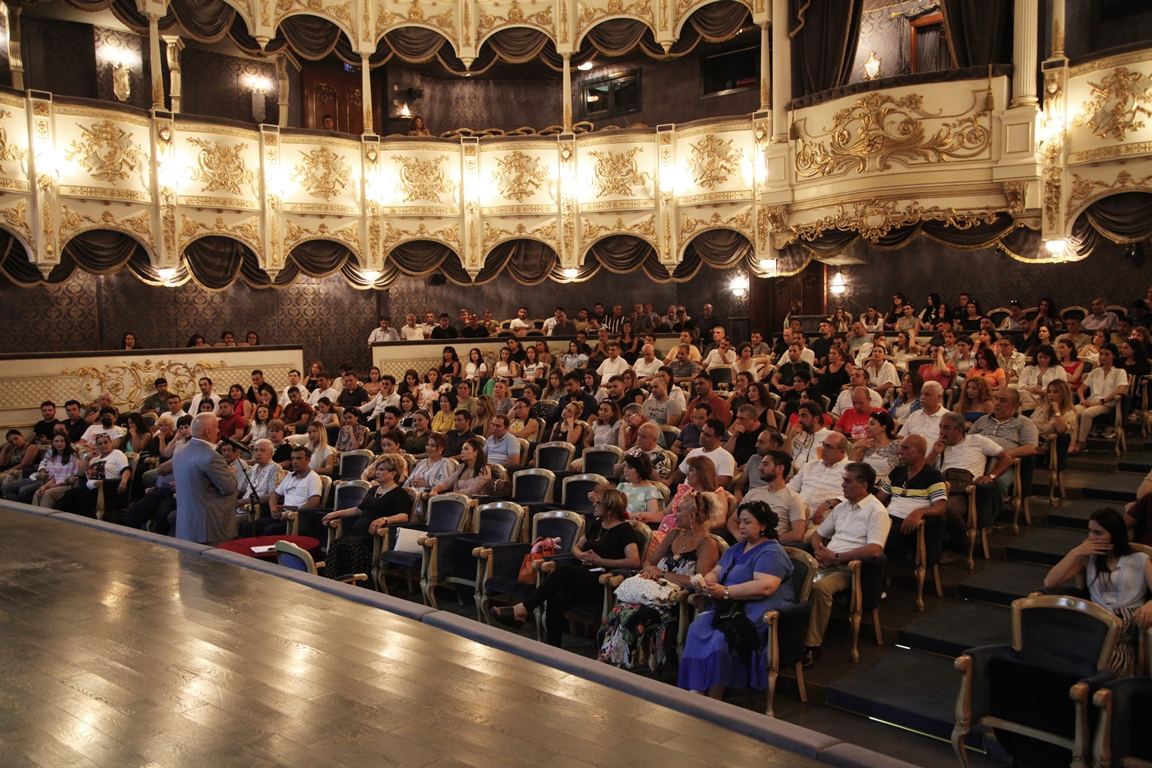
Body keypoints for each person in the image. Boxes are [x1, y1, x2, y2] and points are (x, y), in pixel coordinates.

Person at [490, 487, 641, 647]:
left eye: (598, 503)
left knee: (562, 571)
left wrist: (601, 560)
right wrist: (580, 555)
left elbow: (634, 561)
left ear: (610, 510)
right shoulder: (598, 524)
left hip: (602, 581)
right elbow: (576, 547)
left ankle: (523, 609)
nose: (594, 505)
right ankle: (552, 647)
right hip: (582, 576)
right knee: (557, 596)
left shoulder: (624, 530)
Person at [677, 500, 795, 697]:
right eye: (740, 521)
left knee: (720, 638)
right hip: (728, 610)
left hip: (755, 613)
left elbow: (765, 586)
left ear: (763, 525)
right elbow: (716, 571)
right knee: (697, 629)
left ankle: (714, 696)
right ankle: (696, 690)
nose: (741, 526)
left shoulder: (772, 552)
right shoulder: (736, 549)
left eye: (747, 522)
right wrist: (706, 583)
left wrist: (725, 592)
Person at [600, 492, 721, 671]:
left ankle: (626, 667)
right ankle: (608, 663)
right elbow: (649, 561)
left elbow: (697, 582)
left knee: (634, 617)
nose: (674, 514)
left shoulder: (708, 545)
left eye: (679, 510)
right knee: (618, 611)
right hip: (651, 592)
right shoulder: (673, 534)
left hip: (675, 602)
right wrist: (650, 570)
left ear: (693, 515)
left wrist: (662, 574)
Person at [802, 462, 890, 668]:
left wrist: (837, 556)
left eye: (847, 481)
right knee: (792, 577)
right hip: (827, 561)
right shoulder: (841, 508)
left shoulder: (876, 511)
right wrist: (820, 552)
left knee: (820, 588)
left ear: (864, 485)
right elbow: (817, 535)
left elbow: (875, 549)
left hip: (852, 569)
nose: (842, 485)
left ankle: (811, 646)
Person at [1043, 508, 1152, 675]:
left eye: (1098, 533)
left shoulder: (1139, 559)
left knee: (1110, 636)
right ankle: (1096, 676)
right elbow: (1050, 582)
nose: (1091, 538)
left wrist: (1150, 604)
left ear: (1114, 534)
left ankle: (1106, 676)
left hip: (1127, 616)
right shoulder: (1089, 558)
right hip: (1096, 614)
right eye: (1090, 532)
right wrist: (1076, 552)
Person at [322, 455, 413, 578]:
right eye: (377, 469)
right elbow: (359, 509)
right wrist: (337, 513)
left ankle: (356, 581)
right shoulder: (373, 490)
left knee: (354, 546)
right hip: (357, 532)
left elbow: (404, 516)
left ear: (393, 473)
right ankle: (335, 580)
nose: (377, 472)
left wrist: (384, 519)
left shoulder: (400, 494)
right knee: (338, 543)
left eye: (382, 470)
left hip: (374, 535)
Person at [173, 412, 239, 544]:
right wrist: (230, 473)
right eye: (216, 427)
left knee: (188, 563)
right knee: (214, 565)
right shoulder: (211, 457)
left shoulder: (179, 452)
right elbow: (229, 488)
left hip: (186, 526)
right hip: (210, 529)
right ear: (208, 432)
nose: (219, 430)